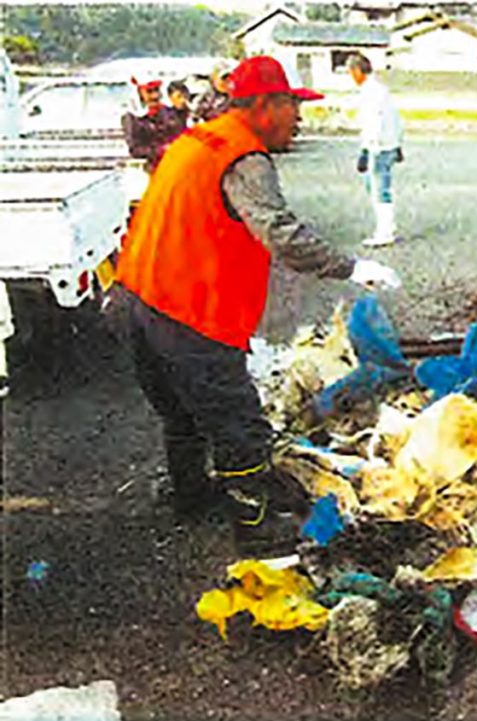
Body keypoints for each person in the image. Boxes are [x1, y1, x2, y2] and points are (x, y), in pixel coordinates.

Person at [111, 56, 400, 548]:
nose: (299, 119)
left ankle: (192, 498)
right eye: (293, 107)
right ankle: (255, 530)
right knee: (239, 424)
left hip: (136, 298)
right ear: (265, 105)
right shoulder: (244, 157)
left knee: (182, 414)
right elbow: (280, 233)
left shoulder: (199, 139)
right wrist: (351, 267)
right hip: (188, 311)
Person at [347, 53, 404, 247]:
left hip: (378, 147)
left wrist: (366, 149)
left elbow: (373, 123)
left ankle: (385, 232)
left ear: (357, 71)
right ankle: (389, 225)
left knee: (379, 189)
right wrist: (398, 143)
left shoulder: (369, 92)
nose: (351, 77)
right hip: (389, 144)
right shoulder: (381, 90)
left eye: (351, 72)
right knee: (378, 187)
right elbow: (396, 119)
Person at [121, 78, 181, 173]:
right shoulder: (131, 118)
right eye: (149, 92)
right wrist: (161, 150)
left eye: (156, 90)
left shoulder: (170, 113)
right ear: (140, 94)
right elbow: (135, 149)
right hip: (149, 168)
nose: (155, 96)